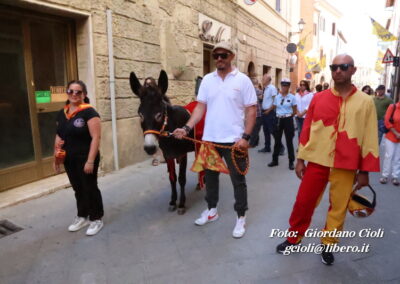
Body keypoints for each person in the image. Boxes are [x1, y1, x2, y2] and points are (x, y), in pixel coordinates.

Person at [275, 54, 380, 265]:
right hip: (317, 159)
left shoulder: (366, 102)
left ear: (353, 70)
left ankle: (328, 244)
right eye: (334, 67)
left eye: (343, 67)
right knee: (303, 202)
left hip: (347, 164)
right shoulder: (319, 98)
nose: (338, 71)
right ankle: (294, 237)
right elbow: (307, 128)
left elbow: (370, 136)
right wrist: (300, 159)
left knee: (338, 207)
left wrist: (365, 172)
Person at [173, 41, 257, 238]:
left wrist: (246, 137)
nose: (219, 58)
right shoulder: (208, 80)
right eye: (216, 55)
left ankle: (241, 217)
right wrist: (186, 128)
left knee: (238, 180)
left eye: (223, 55)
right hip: (210, 140)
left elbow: (251, 109)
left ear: (231, 56)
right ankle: (212, 210)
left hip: (234, 141)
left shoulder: (243, 80)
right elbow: (200, 107)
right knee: (210, 178)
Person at [54, 80, 104, 236]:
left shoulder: (90, 113)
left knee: (89, 187)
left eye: (78, 92)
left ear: (84, 94)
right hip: (69, 158)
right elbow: (58, 136)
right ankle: (82, 215)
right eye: (71, 91)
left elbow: (96, 138)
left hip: (86, 157)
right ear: (67, 93)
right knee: (77, 187)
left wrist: (90, 161)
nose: (74, 94)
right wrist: (55, 158)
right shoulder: (63, 113)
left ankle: (96, 218)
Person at [267, 78, 297, 170]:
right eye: (283, 85)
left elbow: (294, 110)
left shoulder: (292, 97)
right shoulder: (277, 97)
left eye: (286, 85)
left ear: (289, 86)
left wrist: (288, 116)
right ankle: (274, 160)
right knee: (277, 141)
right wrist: (268, 111)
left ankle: (291, 162)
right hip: (278, 119)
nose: (284, 87)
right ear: (281, 86)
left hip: (288, 119)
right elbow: (275, 105)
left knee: (289, 142)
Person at [258, 74, 285, 155]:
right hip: (264, 112)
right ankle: (267, 147)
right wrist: (262, 97)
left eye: (264, 79)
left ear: (268, 80)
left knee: (273, 131)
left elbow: (275, 101)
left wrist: (269, 110)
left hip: (270, 113)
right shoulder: (265, 89)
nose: (262, 80)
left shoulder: (272, 88)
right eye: (262, 78)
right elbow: (268, 99)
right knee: (265, 130)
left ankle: (280, 147)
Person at [380, 102, 400, 185]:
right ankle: (385, 175)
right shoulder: (393, 107)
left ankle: (395, 176)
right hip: (391, 136)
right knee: (389, 156)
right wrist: (396, 133)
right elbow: (387, 121)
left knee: (398, 158)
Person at [249, 78, 264, 148]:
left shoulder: (251, 91)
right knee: (256, 129)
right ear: (257, 84)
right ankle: (256, 142)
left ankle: (252, 143)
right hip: (259, 113)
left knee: (253, 130)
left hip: (253, 113)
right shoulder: (260, 92)